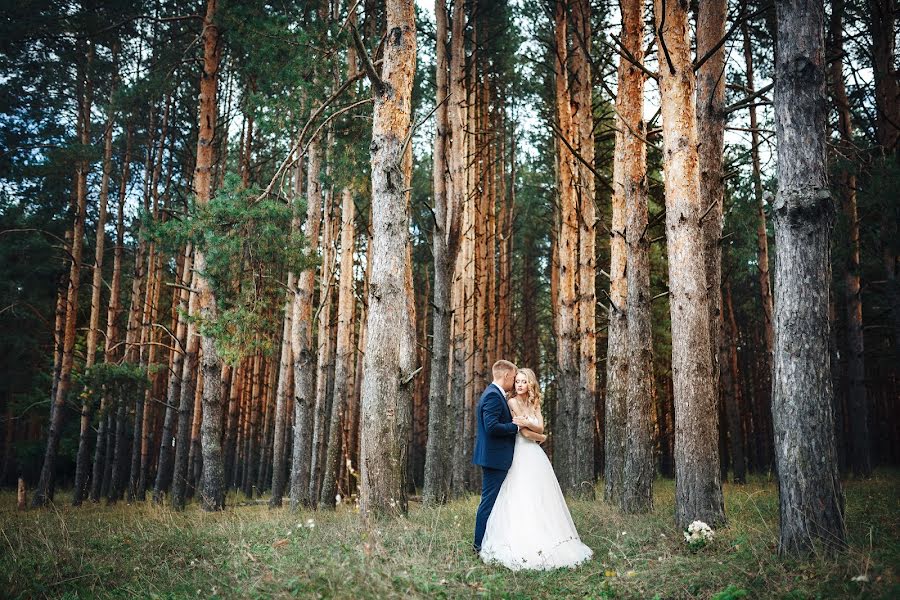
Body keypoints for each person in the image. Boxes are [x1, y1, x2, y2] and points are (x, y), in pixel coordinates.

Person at [479, 368, 593, 571]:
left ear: (530, 384)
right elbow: (525, 433)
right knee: (520, 494)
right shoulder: (511, 402)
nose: (520, 384)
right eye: (517, 381)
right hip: (521, 453)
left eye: (524, 381)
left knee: (542, 496)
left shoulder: (534, 402)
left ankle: (547, 536)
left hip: (536, 456)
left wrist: (539, 433)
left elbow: (539, 427)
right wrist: (542, 437)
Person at [472, 359, 519, 553]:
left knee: (494, 502)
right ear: (507, 375)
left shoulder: (495, 394)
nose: (515, 381)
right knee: (489, 502)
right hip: (494, 459)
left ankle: (490, 543)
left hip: (495, 458)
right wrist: (515, 427)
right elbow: (491, 427)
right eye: (514, 377)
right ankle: (478, 546)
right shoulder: (492, 396)